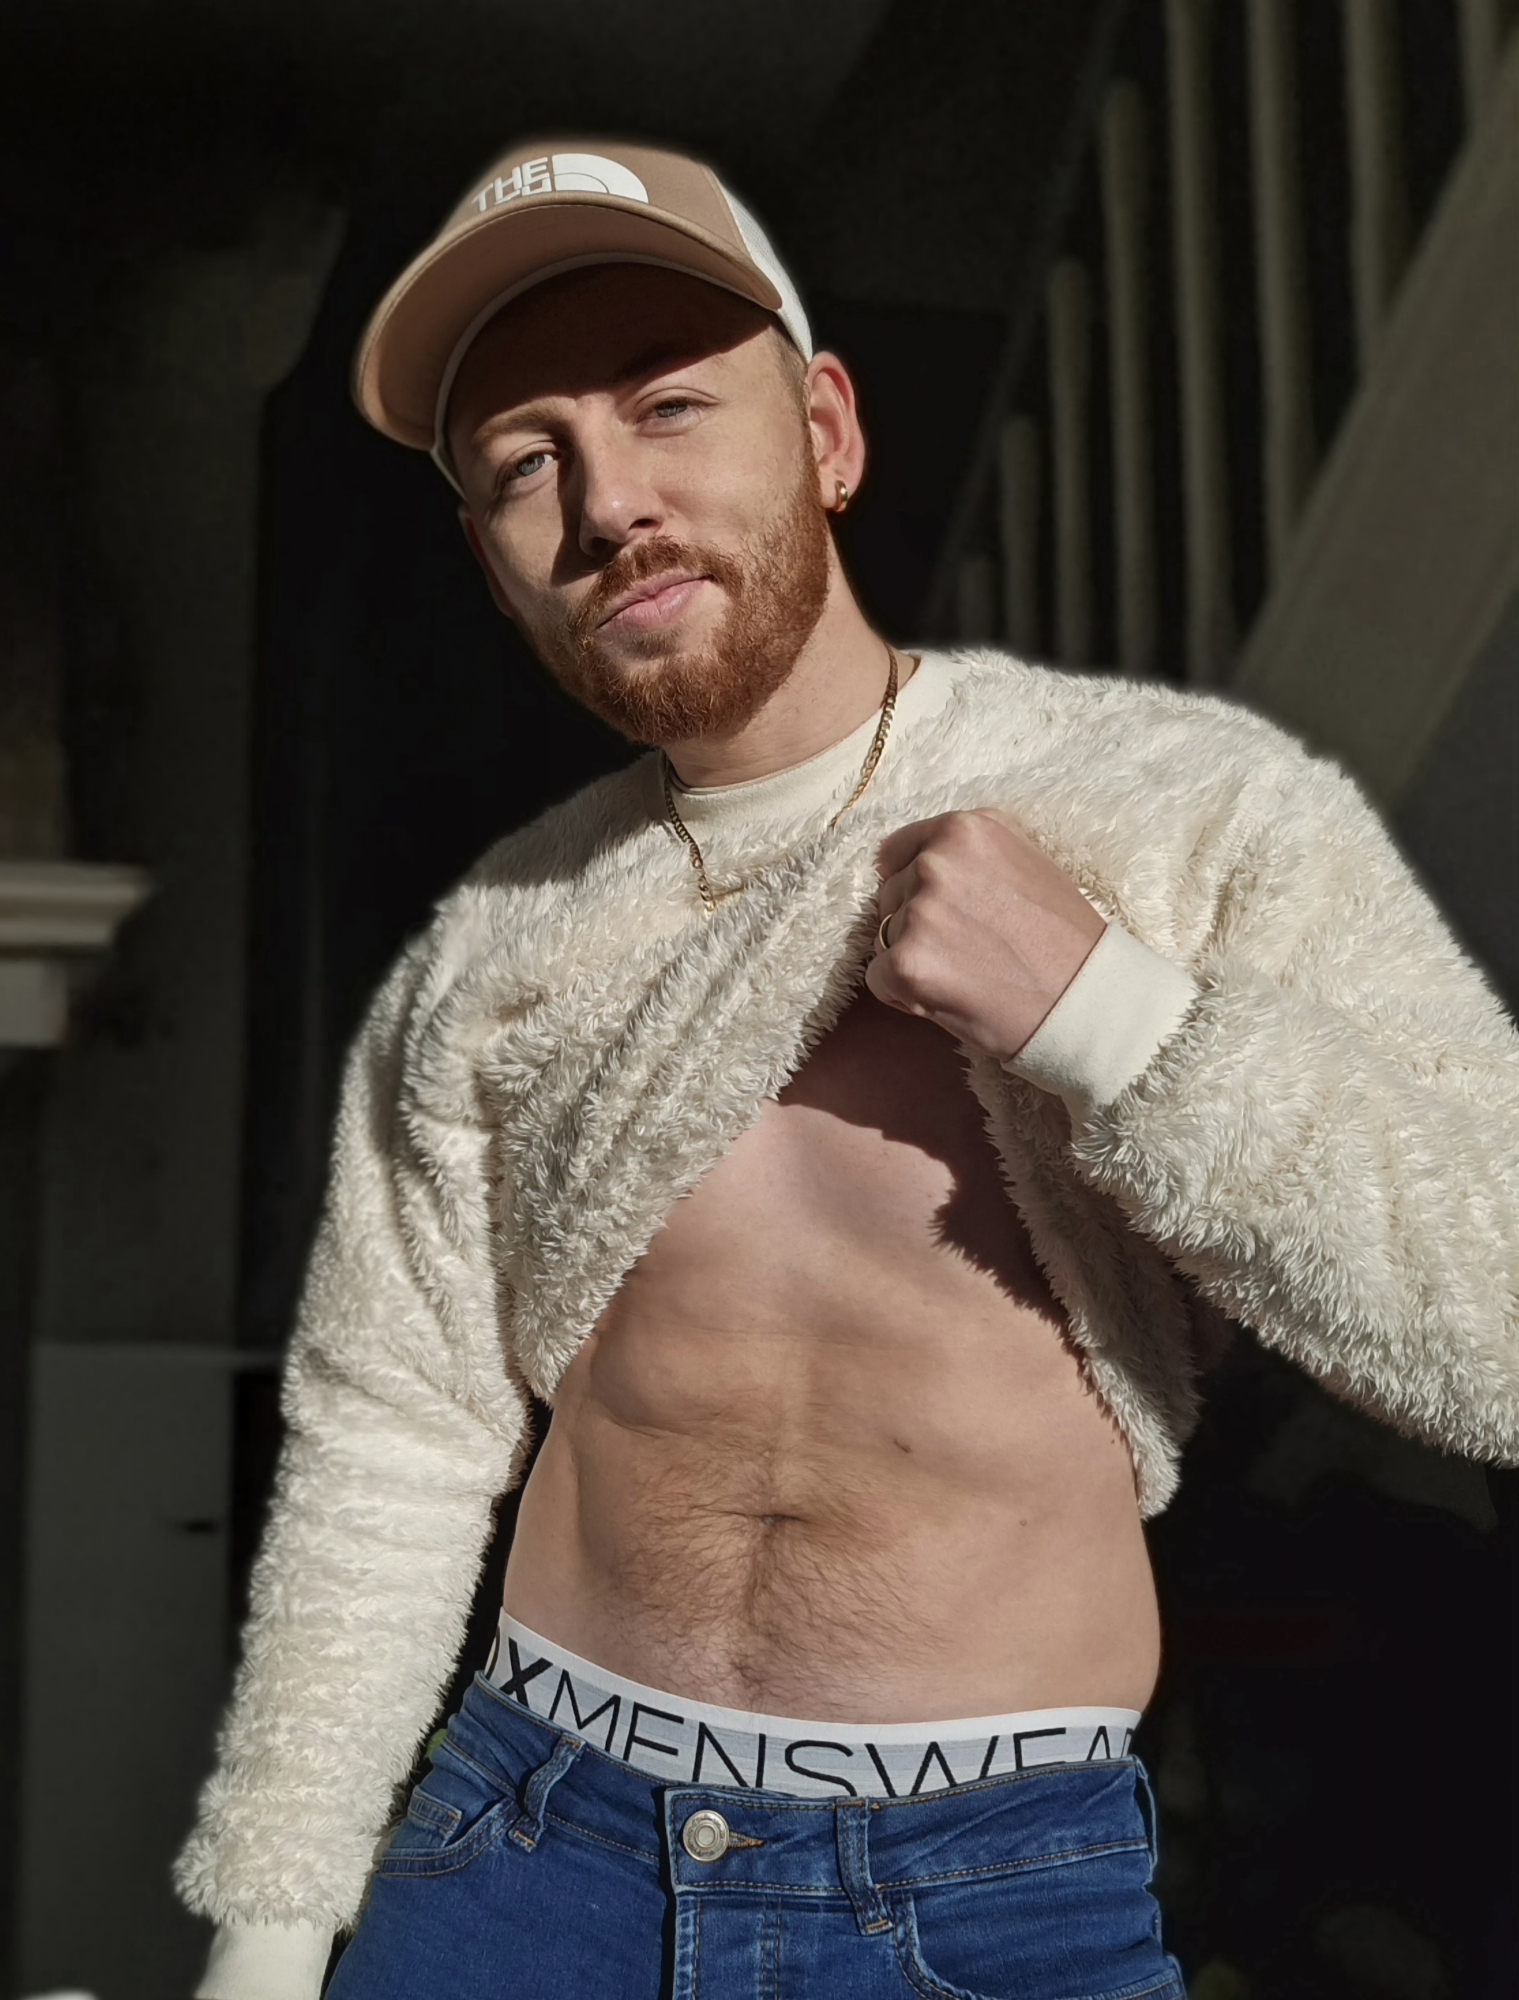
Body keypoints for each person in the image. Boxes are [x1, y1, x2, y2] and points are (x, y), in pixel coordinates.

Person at [178, 138, 1519, 2000]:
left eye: (668, 406)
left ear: (824, 432)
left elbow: (1495, 1329)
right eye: (526, 465)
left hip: (990, 1890)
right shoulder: (498, 947)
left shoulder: (1184, 813)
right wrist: (267, 1939)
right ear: (492, 566)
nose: (610, 502)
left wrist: (1111, 1018)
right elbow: (391, 1437)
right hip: (527, 1844)